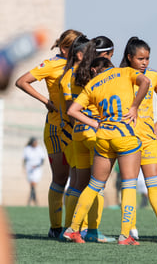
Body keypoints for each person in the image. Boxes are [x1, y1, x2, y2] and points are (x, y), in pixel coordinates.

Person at [63, 57, 150, 245]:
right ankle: (125, 235)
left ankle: (72, 229)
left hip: (103, 137)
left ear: (95, 70)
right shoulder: (125, 71)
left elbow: (73, 111)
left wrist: (94, 123)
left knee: (93, 185)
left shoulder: (92, 84)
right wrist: (134, 106)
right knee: (129, 185)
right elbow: (146, 81)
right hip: (125, 136)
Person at [15, 29, 82, 238]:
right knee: (61, 178)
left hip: (78, 127)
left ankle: (75, 228)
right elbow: (21, 81)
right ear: (65, 48)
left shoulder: (83, 65)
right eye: (77, 48)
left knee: (80, 178)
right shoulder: (52, 64)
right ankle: (55, 228)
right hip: (56, 129)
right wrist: (47, 102)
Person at [60, 35, 116, 242]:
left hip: (77, 133)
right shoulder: (101, 75)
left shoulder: (70, 74)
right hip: (94, 133)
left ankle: (68, 228)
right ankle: (92, 231)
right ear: (106, 55)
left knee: (76, 184)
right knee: (97, 185)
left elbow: (67, 109)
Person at [119, 37, 157, 241]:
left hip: (148, 137)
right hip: (128, 138)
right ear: (129, 57)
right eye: (140, 58)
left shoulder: (154, 75)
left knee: (154, 184)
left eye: (147, 58)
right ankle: (131, 227)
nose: (145, 62)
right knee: (130, 184)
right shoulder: (120, 76)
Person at [23, 137, 46, 206]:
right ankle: (34, 200)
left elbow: (42, 160)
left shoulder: (39, 149)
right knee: (32, 184)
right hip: (29, 168)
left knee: (33, 184)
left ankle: (31, 200)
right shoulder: (27, 149)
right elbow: (24, 159)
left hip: (37, 169)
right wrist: (24, 167)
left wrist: (37, 166)